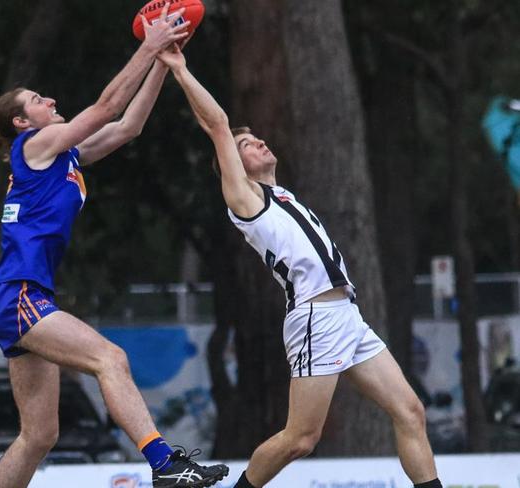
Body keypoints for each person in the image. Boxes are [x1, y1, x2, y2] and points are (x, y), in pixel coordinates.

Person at [157, 45, 443, 488]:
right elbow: (215, 123)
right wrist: (179, 67)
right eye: (246, 146)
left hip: (348, 315)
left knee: (410, 411)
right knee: (301, 438)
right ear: (233, 168)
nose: (260, 143)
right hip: (316, 317)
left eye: (256, 139)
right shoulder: (245, 199)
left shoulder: (282, 195)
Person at [0, 5, 228, 488]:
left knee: (38, 436)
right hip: (19, 297)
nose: (48, 99)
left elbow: (126, 127)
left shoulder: (62, 154)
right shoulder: (36, 145)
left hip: (20, 298)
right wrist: (149, 43)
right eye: (36, 98)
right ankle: (164, 464)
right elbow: (106, 107)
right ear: (21, 121)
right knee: (109, 359)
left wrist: (163, 60)